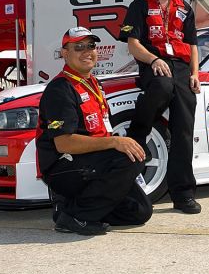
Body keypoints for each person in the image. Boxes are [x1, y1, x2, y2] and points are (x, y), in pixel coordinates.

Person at [37, 26, 152, 235]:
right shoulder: (60, 89)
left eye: (90, 46)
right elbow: (64, 143)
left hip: (92, 162)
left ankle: (74, 206)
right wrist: (114, 142)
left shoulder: (94, 83)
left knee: (139, 212)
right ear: (65, 53)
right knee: (129, 158)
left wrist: (116, 143)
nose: (87, 51)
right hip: (63, 167)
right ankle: (73, 216)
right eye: (78, 47)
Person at [119, 0, 202, 214]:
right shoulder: (139, 4)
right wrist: (154, 59)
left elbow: (192, 45)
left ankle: (183, 194)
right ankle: (139, 130)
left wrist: (195, 74)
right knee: (162, 86)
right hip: (152, 64)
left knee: (184, 132)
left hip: (181, 68)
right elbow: (133, 44)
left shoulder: (184, 7)